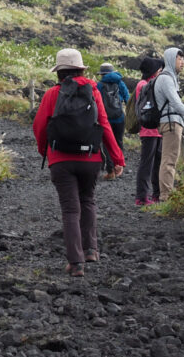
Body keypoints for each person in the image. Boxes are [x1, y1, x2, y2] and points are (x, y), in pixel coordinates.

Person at [33, 48, 125, 278]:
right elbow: (104, 125)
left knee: (70, 210)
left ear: (59, 73)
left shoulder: (52, 94)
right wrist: (117, 158)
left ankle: (76, 263)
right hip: (91, 158)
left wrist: (45, 149)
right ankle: (91, 250)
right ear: (81, 69)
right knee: (88, 201)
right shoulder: (93, 91)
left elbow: (40, 126)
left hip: (61, 160)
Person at [153, 47, 184, 201]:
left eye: (183, 59)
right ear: (170, 59)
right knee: (169, 160)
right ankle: (166, 196)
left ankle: (166, 194)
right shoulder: (166, 78)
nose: (183, 62)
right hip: (171, 124)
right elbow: (175, 103)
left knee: (169, 159)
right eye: (179, 58)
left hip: (172, 122)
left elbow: (172, 105)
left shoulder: (169, 78)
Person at [134, 57, 164, 206]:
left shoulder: (147, 83)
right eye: (159, 70)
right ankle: (142, 196)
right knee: (147, 164)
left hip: (157, 130)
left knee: (157, 163)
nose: (161, 73)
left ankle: (155, 194)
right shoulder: (143, 85)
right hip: (148, 130)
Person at [96, 63, 129, 179]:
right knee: (119, 142)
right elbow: (127, 99)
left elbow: (95, 101)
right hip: (120, 117)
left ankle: (111, 172)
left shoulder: (99, 85)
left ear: (102, 74)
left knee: (107, 144)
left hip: (106, 119)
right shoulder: (120, 83)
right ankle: (119, 167)